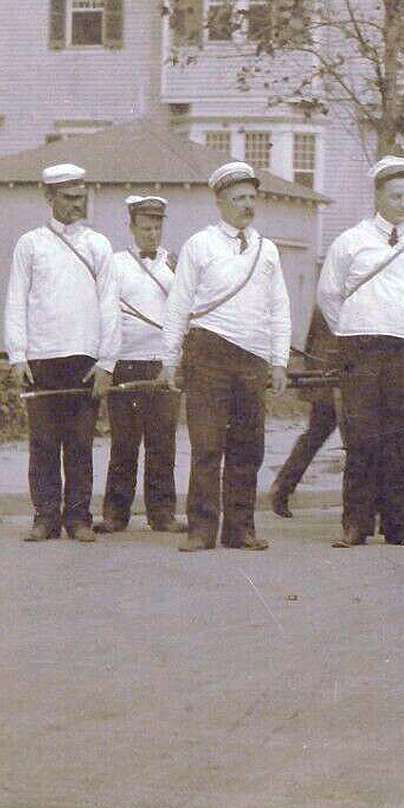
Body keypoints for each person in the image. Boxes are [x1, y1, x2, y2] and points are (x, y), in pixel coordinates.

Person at [159, 161, 292, 552]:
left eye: (252, 197)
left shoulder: (267, 250)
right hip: (208, 354)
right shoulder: (201, 245)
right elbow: (178, 304)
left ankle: (241, 529)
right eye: (238, 198)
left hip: (252, 358)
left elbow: (279, 308)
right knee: (207, 446)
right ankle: (201, 530)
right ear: (220, 202)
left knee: (248, 447)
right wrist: (170, 359)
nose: (247, 205)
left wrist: (279, 359)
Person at [318, 156, 404, 547]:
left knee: (400, 437)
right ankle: (355, 523)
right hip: (362, 347)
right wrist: (355, 328)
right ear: (378, 197)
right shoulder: (351, 241)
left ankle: (397, 523)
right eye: (395, 196)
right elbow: (328, 294)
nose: (403, 204)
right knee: (361, 436)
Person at [2, 163, 120, 542]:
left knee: (81, 444)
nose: (76, 205)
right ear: (48, 197)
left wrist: (107, 363)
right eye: (68, 198)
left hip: (85, 359)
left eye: (81, 198)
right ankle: (45, 517)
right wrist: (18, 355)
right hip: (42, 358)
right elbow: (16, 299)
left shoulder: (98, 245)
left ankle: (79, 518)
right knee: (43, 443)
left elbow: (110, 306)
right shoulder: (30, 244)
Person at [95, 195, 186, 535]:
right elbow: (106, 313)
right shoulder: (116, 265)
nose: (152, 234)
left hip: (163, 365)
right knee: (124, 442)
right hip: (125, 363)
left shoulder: (175, 265)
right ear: (131, 227)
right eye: (145, 227)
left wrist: (174, 360)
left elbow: (184, 313)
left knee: (162, 442)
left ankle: (162, 514)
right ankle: (115, 515)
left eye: (157, 227)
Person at [267, 306, 338, 519]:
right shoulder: (335, 295)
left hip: (331, 368)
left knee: (317, 433)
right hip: (335, 370)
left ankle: (282, 487)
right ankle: (282, 487)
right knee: (326, 433)